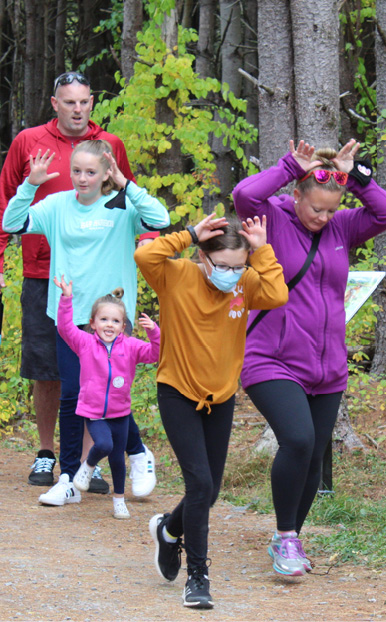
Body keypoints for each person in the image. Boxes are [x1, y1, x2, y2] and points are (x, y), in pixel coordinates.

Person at [232, 138, 386, 576]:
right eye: (316, 209)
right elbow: (244, 195)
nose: (323, 218)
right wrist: (291, 163)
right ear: (296, 197)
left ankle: (290, 537)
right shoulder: (272, 217)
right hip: (270, 358)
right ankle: (287, 537)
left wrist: (356, 175)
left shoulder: (343, 227)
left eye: (330, 209)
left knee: (312, 452)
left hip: (327, 367)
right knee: (299, 439)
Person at [0, 71, 158, 494]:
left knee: (103, 383)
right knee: (54, 378)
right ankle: (55, 459)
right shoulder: (32, 151)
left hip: (107, 299)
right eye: (68, 101)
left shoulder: (112, 155)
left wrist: (152, 261)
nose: (77, 108)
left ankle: (99, 461)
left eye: (84, 101)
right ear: (55, 103)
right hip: (52, 285)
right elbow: (9, 211)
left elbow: (144, 215)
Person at [134, 213, 288, 609]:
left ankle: (168, 530)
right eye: (222, 266)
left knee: (211, 490)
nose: (231, 274)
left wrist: (261, 250)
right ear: (203, 258)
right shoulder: (176, 275)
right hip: (177, 392)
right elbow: (146, 256)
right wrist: (188, 235)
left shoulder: (246, 282)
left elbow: (277, 294)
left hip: (220, 398)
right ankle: (198, 577)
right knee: (200, 486)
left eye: (239, 267)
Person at [54, 276, 160, 519]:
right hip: (93, 412)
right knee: (103, 444)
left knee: (118, 460)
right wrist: (66, 299)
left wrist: (154, 332)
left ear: (123, 326)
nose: (109, 325)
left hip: (120, 413)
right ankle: (88, 466)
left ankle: (119, 501)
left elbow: (155, 353)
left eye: (115, 321)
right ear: (92, 323)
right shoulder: (85, 344)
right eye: (103, 320)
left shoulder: (131, 347)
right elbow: (65, 328)